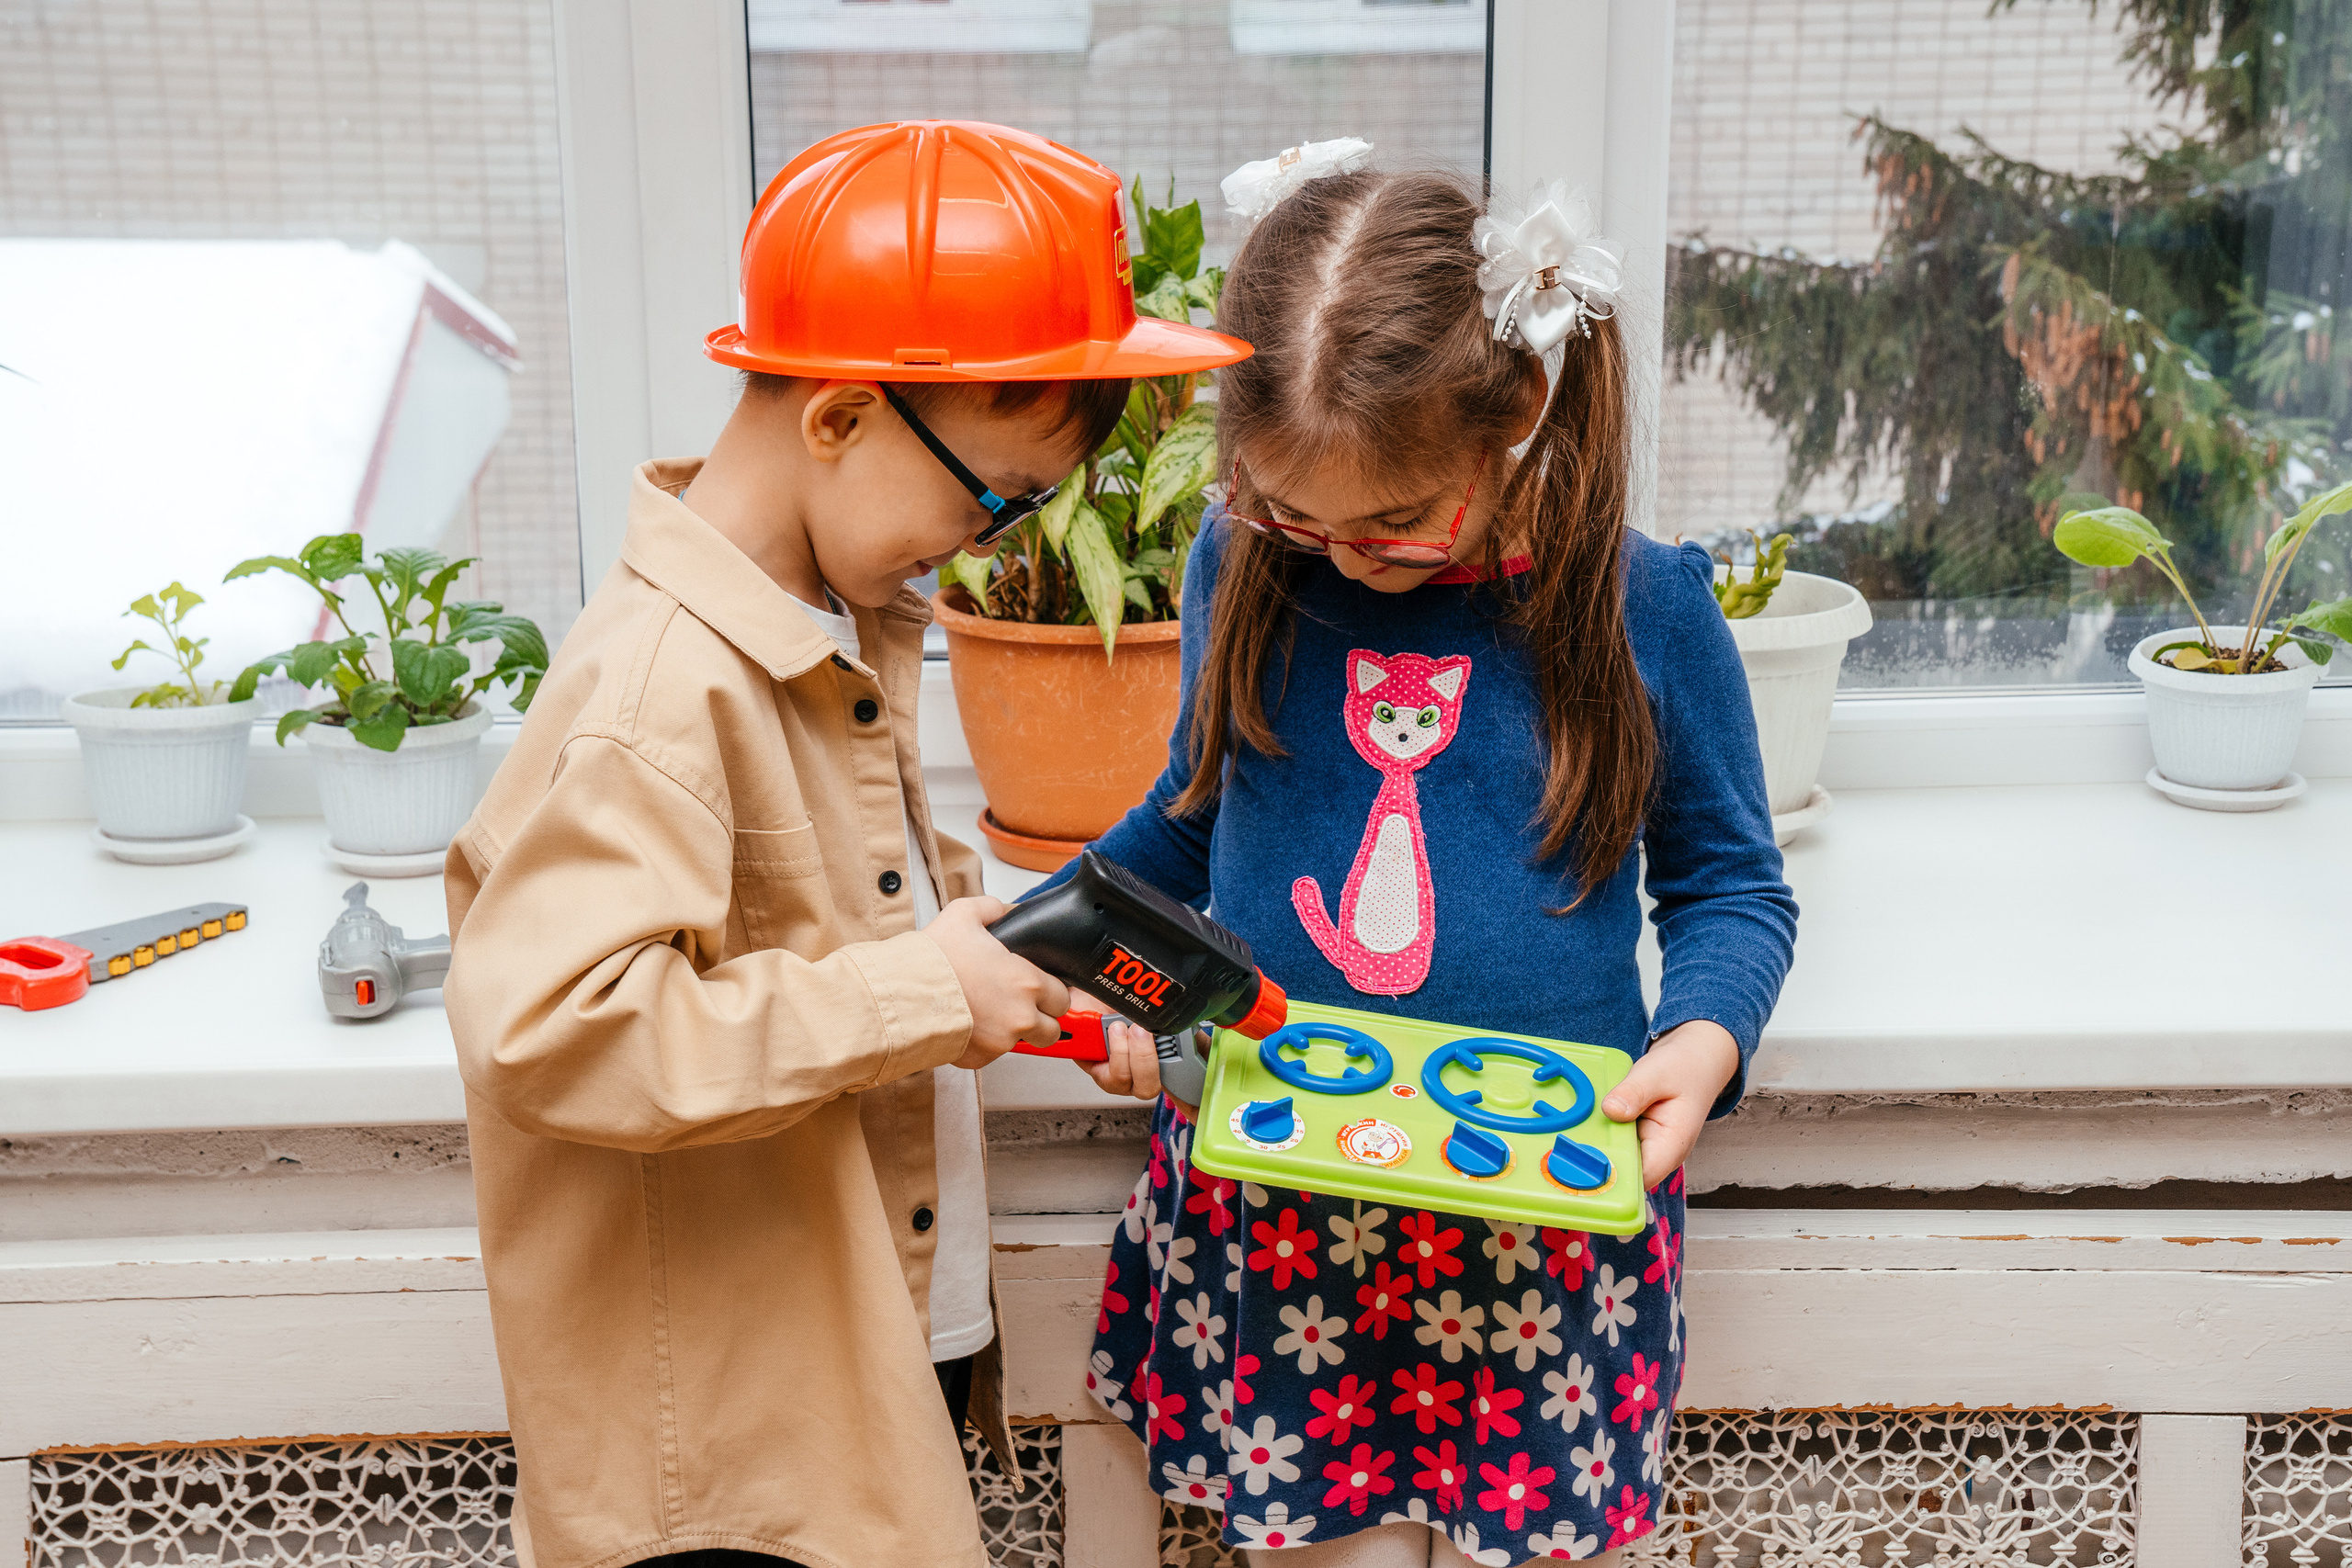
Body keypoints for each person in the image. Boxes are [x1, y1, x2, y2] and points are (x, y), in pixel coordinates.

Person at [440, 120, 1250, 1568]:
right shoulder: (657, 692)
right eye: (984, 496)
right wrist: (930, 993)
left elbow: (843, 918)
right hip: (731, 1460)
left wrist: (1024, 969)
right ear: (836, 420)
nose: (986, 538)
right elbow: (547, 1032)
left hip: (857, 1339)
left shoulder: (823, 623)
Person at [1059, 149, 1799, 1565]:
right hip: (1280, 1210)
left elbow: (1730, 884)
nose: (1340, 557)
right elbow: (1191, 821)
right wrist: (1078, 951)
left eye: (1391, 523)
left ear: (1516, 408)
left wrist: (1705, 1040)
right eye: (1292, 512)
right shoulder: (1243, 562)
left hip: (1541, 1225)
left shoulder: (1643, 606)